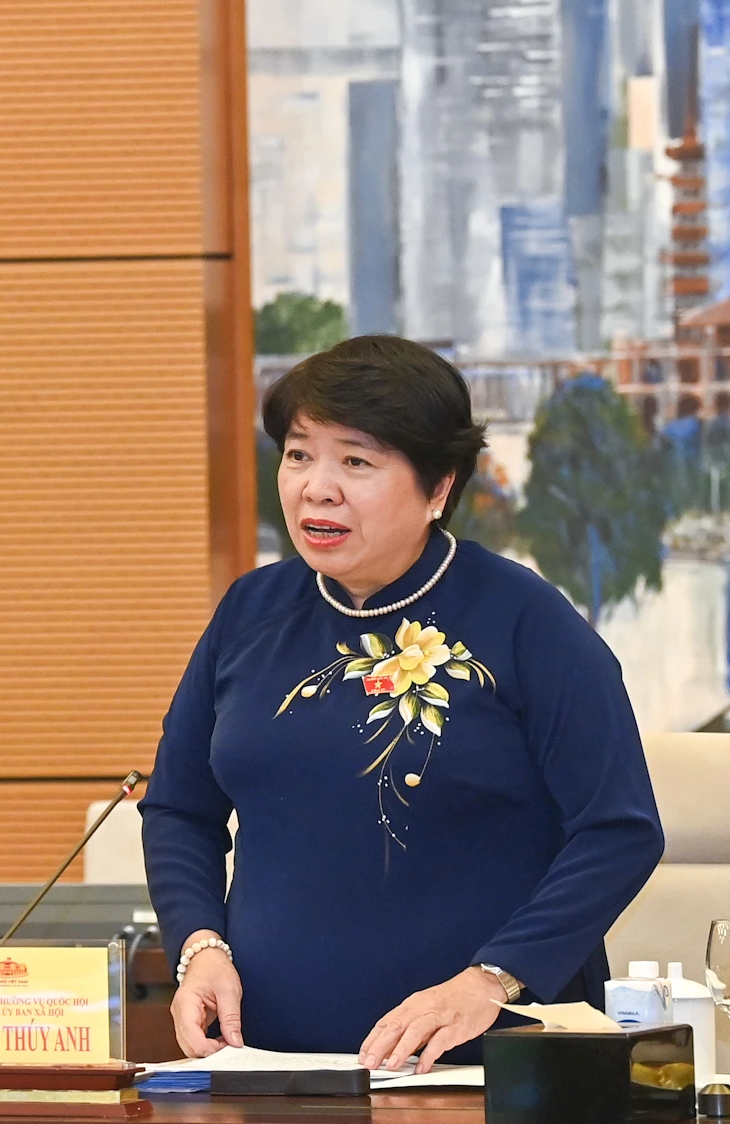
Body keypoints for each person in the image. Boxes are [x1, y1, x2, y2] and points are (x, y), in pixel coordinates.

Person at [142, 335, 664, 1073]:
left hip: (484, 1066)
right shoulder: (249, 613)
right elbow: (179, 808)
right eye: (298, 454)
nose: (316, 487)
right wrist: (200, 946)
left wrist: (491, 980)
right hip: (269, 1062)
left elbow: (619, 830)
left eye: (356, 461)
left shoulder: (526, 621)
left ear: (439, 488)